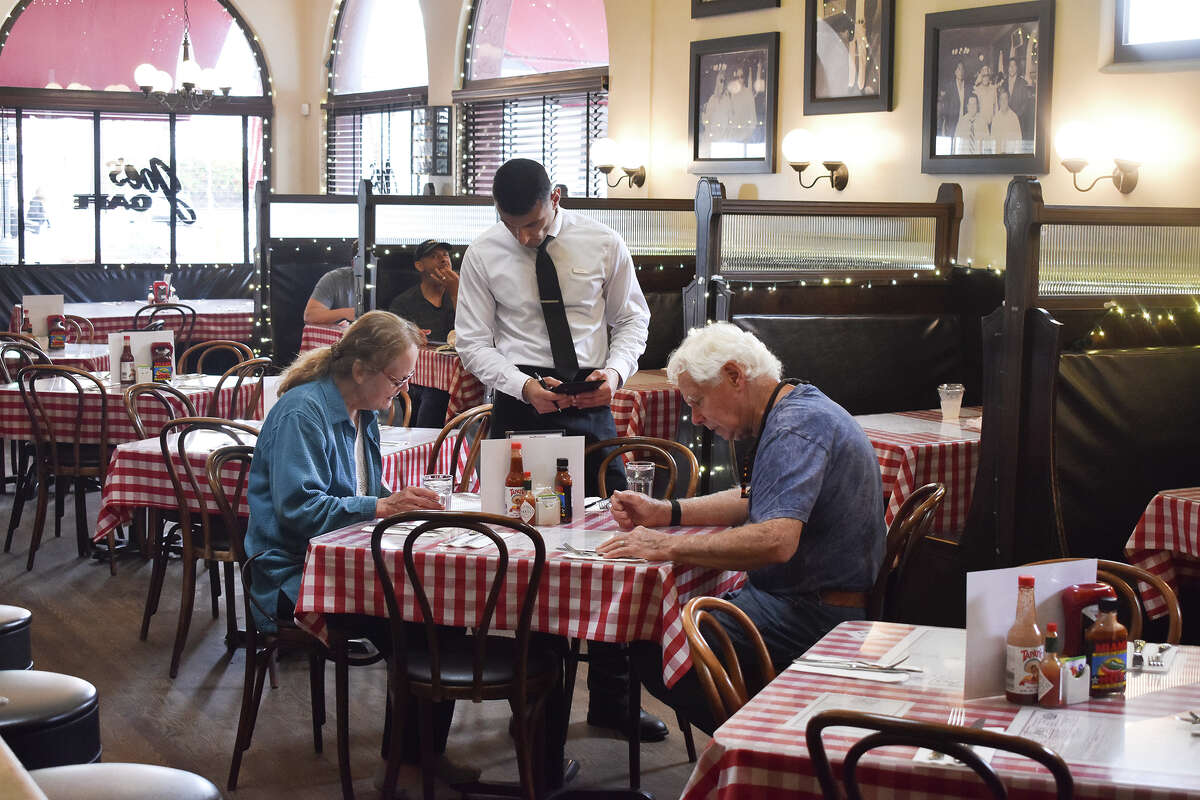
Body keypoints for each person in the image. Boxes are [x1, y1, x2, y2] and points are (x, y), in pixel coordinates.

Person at [596, 322, 886, 735]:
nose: (696, 418)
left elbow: (776, 540)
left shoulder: (792, 427)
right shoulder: (799, 406)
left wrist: (666, 546)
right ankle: (770, 733)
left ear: (734, 375)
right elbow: (755, 499)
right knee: (673, 626)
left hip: (813, 614)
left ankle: (768, 745)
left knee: (656, 646)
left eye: (697, 402)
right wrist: (667, 512)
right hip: (814, 599)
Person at [455, 157, 659, 741]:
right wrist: (522, 386)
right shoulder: (483, 252)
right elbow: (471, 341)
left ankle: (615, 702)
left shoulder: (602, 240)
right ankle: (536, 708)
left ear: (557, 197)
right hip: (522, 399)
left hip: (592, 401)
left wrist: (615, 375)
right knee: (533, 558)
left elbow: (632, 320)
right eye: (512, 225)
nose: (523, 236)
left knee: (616, 550)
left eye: (534, 224)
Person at [244, 311, 475, 792]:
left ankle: (419, 756)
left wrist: (402, 503)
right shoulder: (303, 412)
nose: (404, 388)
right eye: (398, 377)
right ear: (360, 369)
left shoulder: (364, 412)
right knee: (418, 624)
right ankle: (404, 766)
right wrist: (383, 506)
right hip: (292, 574)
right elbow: (297, 510)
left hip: (344, 564)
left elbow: (368, 492)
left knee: (441, 615)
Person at [389, 239, 458, 427]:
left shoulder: (460, 294)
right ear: (419, 265)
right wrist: (409, 335)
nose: (443, 260)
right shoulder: (404, 302)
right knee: (433, 394)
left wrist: (456, 292)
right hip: (414, 380)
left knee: (439, 394)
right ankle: (428, 449)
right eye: (434, 256)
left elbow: (472, 328)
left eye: (445, 255)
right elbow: (392, 340)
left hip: (456, 381)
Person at [303, 244, 360, 326]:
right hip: (345, 337)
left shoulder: (383, 280)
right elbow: (310, 316)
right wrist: (346, 312)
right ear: (353, 263)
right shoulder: (334, 279)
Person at [989, 83, 1024, 154]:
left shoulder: (1014, 118)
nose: (1003, 101)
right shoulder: (996, 118)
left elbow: (1018, 140)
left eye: (1005, 98)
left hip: (1011, 156)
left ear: (1008, 100)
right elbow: (993, 141)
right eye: (1001, 99)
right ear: (999, 101)